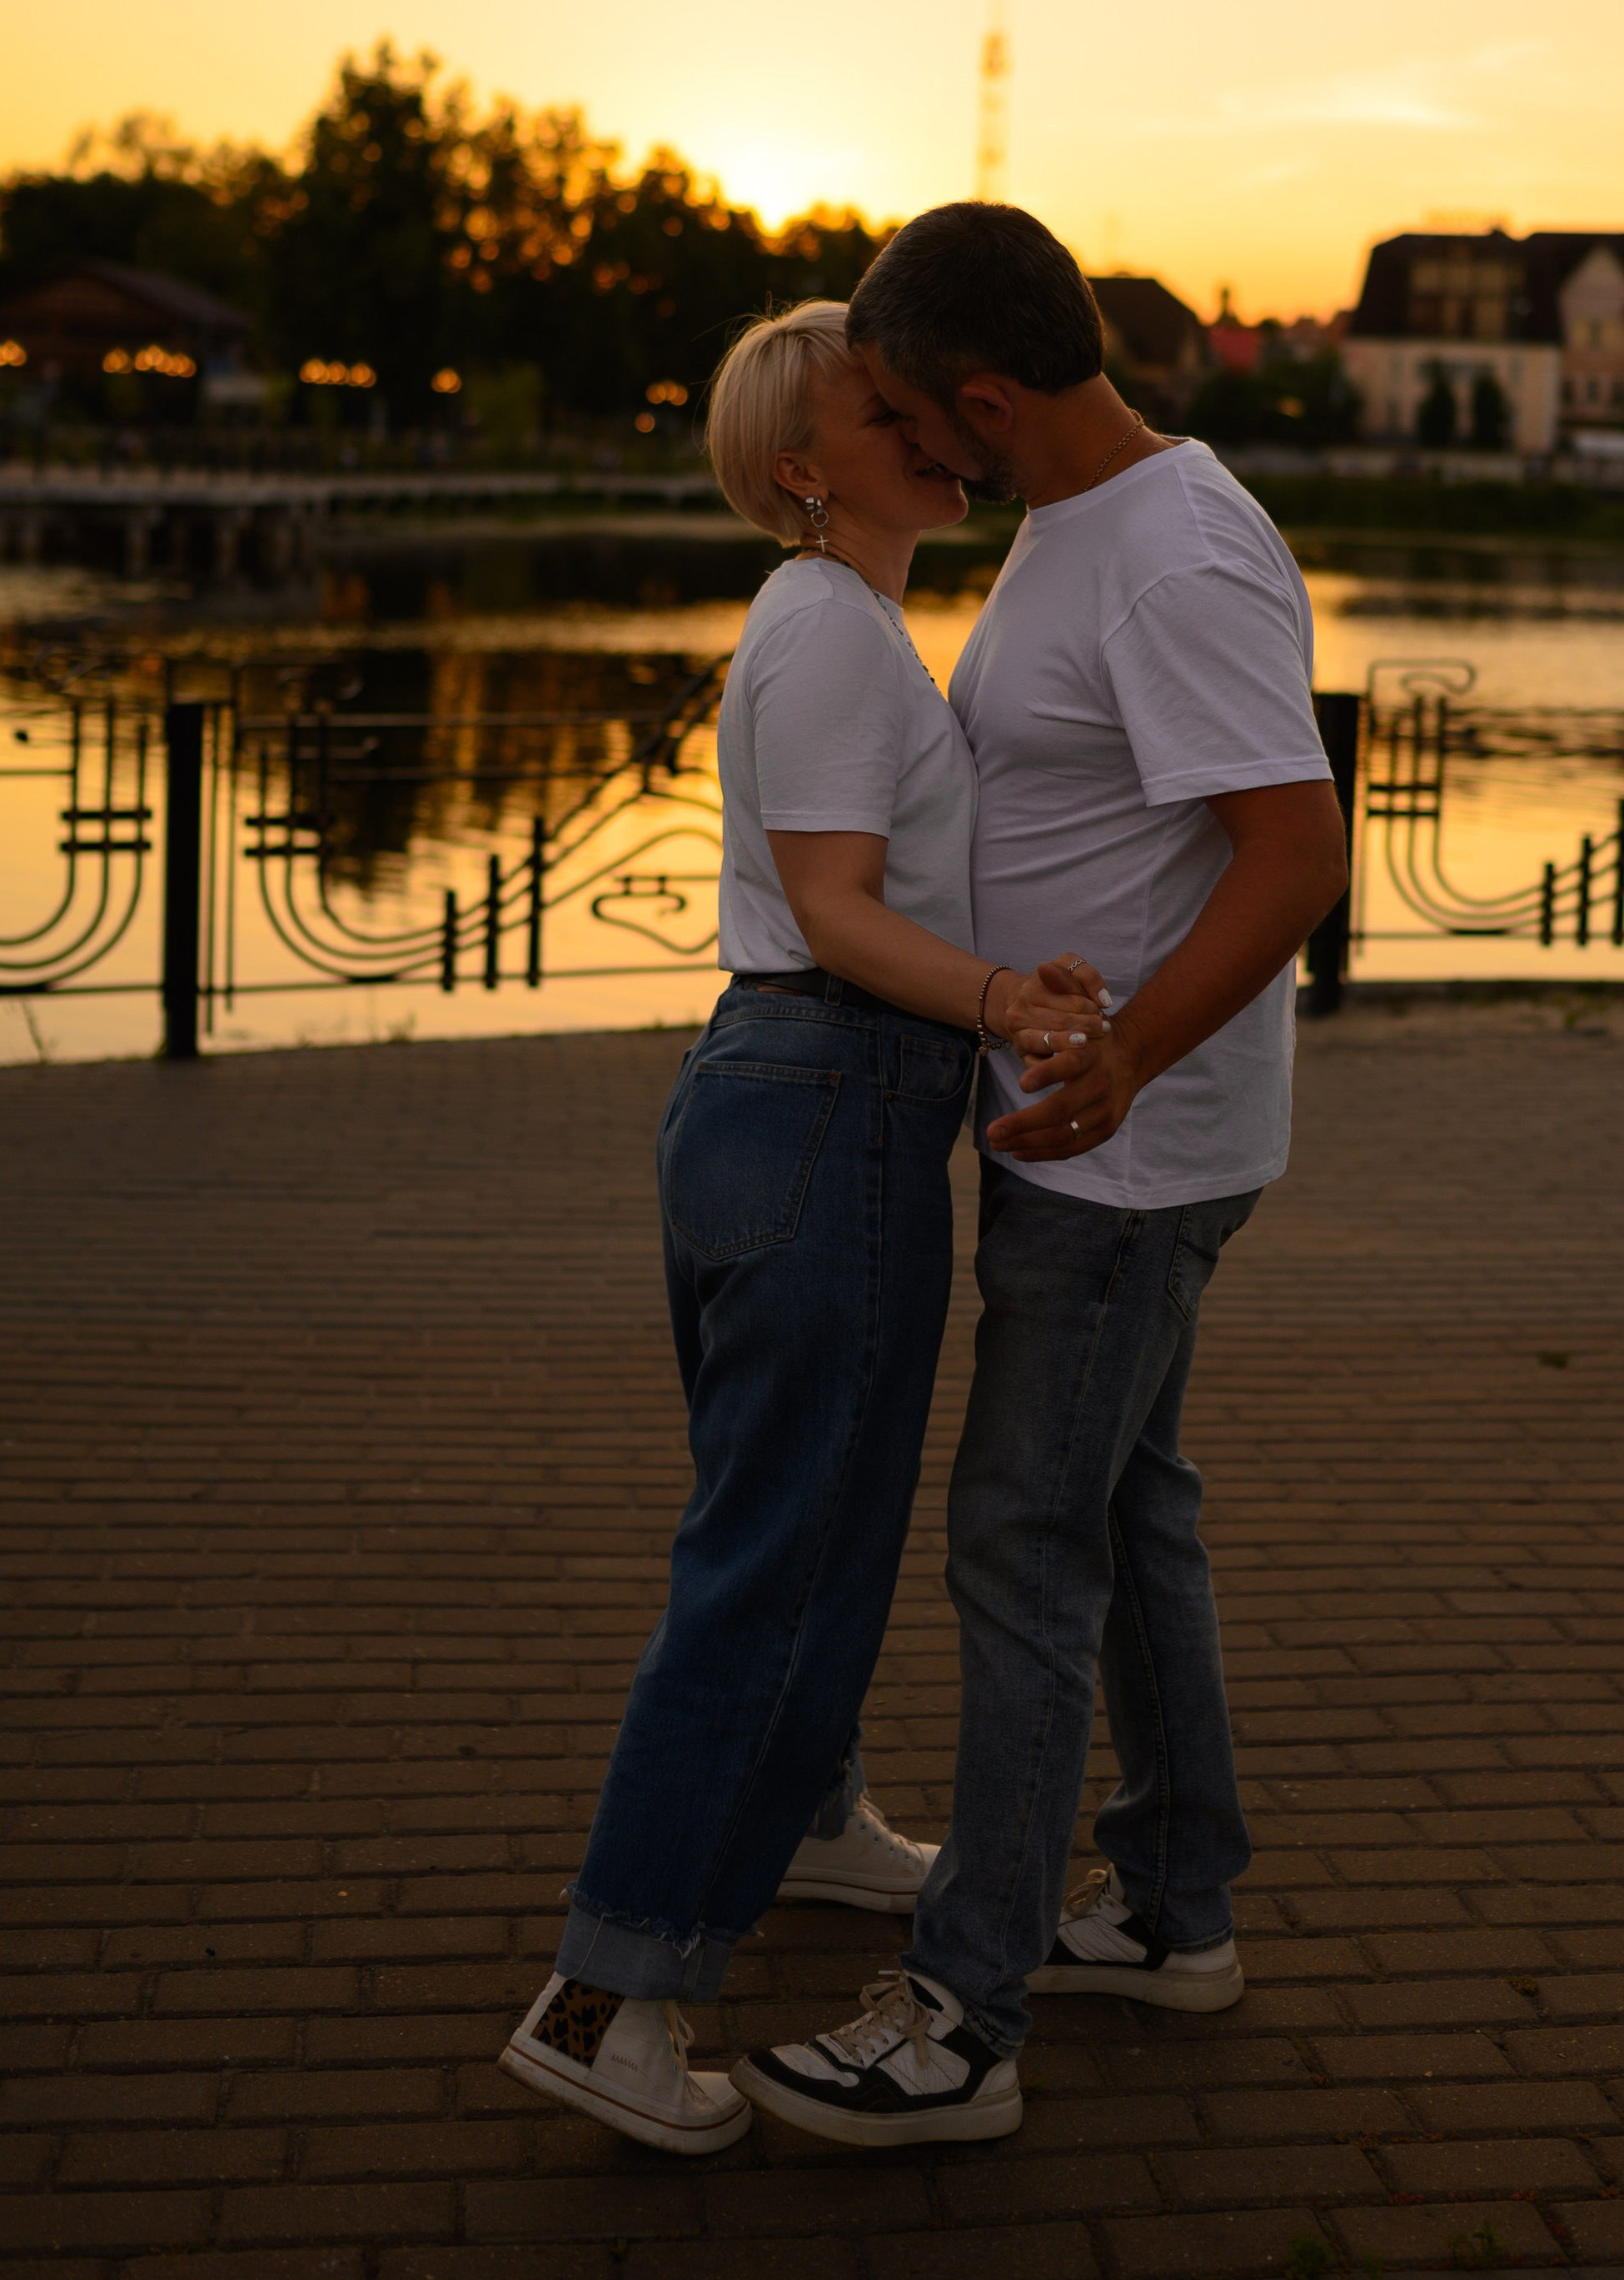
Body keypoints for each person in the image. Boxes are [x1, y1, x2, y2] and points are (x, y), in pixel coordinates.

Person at [732, 209, 1347, 2147]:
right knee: (1126, 1508)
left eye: (911, 414)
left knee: (1022, 1542)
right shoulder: (1079, 520)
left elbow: (1297, 851)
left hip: (1117, 1155)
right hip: (1101, 1131)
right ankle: (1170, 1905)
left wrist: (1124, 1056)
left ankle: (961, 2018)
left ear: (985, 399)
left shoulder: (1166, 556)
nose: (908, 445)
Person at [501, 297, 1104, 2156]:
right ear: (800, 466)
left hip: (786, 1099)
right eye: (880, 408)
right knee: (780, 1562)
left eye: (920, 400)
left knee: (782, 1524)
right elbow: (837, 908)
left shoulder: (827, 619)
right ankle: (605, 1995)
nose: (927, 428)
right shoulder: (833, 627)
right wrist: (1004, 1001)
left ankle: (816, 1814)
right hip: (832, 1098)